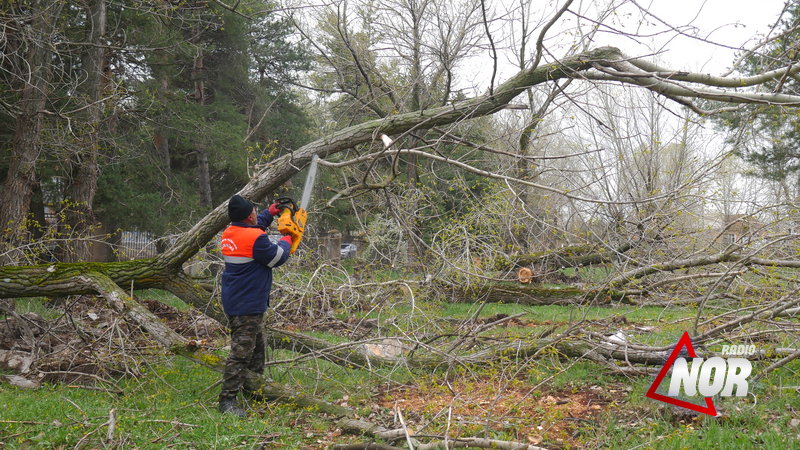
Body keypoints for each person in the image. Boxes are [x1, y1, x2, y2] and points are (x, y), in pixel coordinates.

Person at [218, 194, 293, 417]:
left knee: (258, 347)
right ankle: (227, 401)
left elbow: (255, 226)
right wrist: (288, 236)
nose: (255, 214)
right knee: (241, 352)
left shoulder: (231, 232)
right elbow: (278, 257)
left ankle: (255, 388)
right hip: (246, 303)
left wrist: (270, 213)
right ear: (249, 214)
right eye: (255, 211)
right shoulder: (255, 239)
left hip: (239, 298)